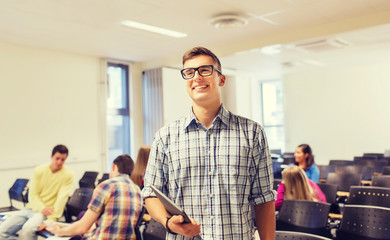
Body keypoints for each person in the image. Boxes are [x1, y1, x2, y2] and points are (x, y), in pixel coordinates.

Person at [142, 46, 276, 240]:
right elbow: (151, 193)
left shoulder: (252, 132)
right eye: (189, 72)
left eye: (205, 70)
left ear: (221, 79)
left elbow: (263, 198)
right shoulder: (165, 137)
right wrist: (167, 222)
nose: (197, 77)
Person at [46, 154, 143, 240]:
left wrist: (59, 231)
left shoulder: (107, 185)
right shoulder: (138, 190)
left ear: (114, 167)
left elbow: (83, 227)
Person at [0, 144, 74, 240]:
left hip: (47, 212)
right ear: (52, 157)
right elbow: (33, 195)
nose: (59, 162)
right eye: (57, 158)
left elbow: (62, 199)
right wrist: (42, 207)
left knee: (27, 230)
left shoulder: (68, 174)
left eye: (63, 159)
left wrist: (50, 221)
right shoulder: (39, 170)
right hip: (31, 208)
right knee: (2, 231)